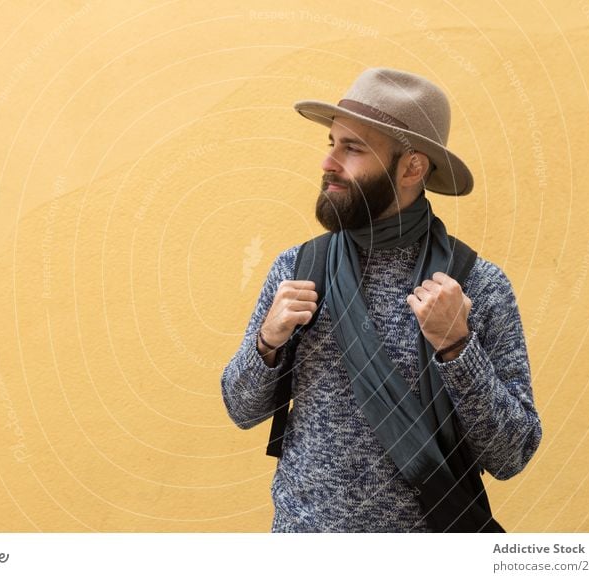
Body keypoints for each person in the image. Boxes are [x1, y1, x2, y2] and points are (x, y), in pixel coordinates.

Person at [220, 68, 541, 532]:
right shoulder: (298, 269)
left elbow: (513, 454)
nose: (329, 162)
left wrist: (458, 349)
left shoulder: (476, 285)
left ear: (412, 167)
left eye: (352, 148)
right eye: (331, 143)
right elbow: (240, 409)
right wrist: (266, 345)